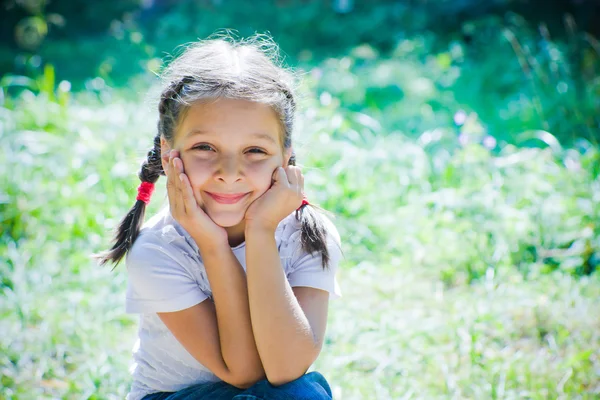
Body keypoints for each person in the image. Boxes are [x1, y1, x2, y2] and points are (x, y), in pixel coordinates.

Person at [95, 34, 343, 400]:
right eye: (205, 147)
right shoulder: (158, 250)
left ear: (285, 156)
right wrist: (212, 244)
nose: (229, 172)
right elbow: (243, 373)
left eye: (255, 150)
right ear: (168, 152)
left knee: (300, 393)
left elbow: (286, 369)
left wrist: (260, 233)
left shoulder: (308, 234)